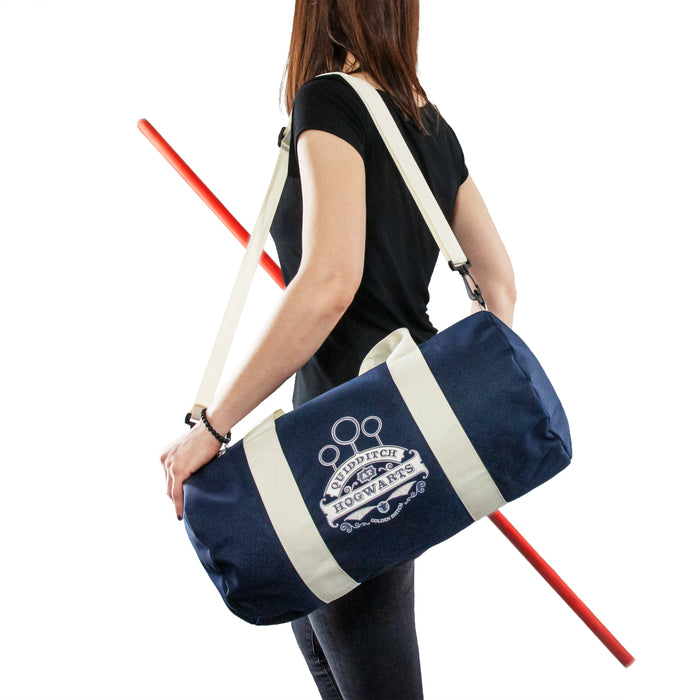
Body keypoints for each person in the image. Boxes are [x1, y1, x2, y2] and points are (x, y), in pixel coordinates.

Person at [160, 1, 516, 697]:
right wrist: (457, 400)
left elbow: (328, 283)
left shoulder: (328, 100)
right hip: (398, 439)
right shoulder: (429, 124)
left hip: (334, 460)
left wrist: (212, 426)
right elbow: (497, 285)